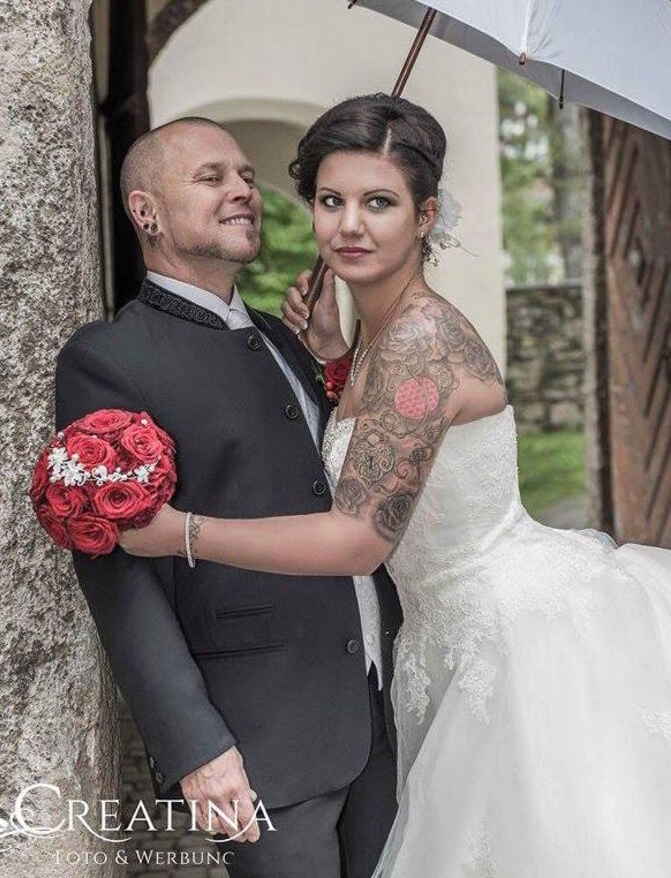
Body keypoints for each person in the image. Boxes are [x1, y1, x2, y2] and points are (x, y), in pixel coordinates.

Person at [121, 93, 671, 878]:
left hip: (509, 640)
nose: (349, 225)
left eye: (378, 203)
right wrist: (335, 359)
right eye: (330, 201)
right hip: (439, 640)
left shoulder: (419, 341)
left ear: (425, 215)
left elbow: (357, 539)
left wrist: (181, 531)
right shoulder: (378, 335)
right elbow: (393, 443)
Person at [55, 116, 401, 878]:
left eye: (246, 176)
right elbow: (115, 574)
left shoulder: (282, 340)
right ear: (146, 212)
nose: (243, 189)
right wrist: (196, 747)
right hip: (261, 742)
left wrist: (332, 358)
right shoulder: (108, 360)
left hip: (378, 708)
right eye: (212, 177)